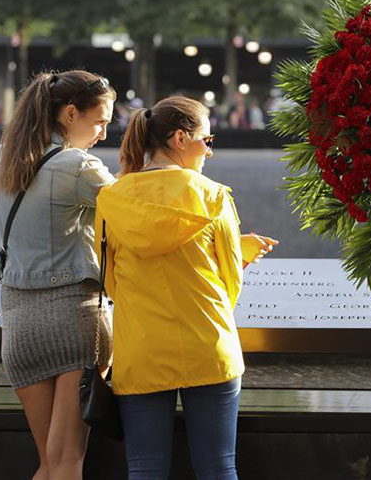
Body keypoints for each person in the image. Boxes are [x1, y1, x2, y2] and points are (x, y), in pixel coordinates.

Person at [0, 70, 117, 480]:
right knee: (68, 462)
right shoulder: (80, 167)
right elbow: (135, 218)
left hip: (19, 326)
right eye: (100, 120)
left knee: (49, 464)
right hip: (75, 319)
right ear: (70, 114)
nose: (104, 132)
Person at [96, 96, 277, 479]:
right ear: (180, 138)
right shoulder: (212, 196)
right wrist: (239, 255)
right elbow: (230, 281)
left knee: (144, 468)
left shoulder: (112, 198)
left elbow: (109, 277)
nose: (209, 152)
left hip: (141, 348)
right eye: (207, 141)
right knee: (218, 468)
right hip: (208, 344)